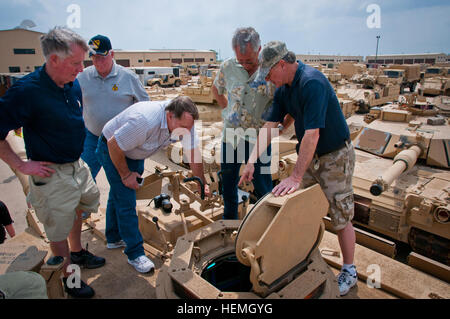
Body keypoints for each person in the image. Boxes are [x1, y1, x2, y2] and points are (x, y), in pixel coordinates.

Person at [239, 41, 357, 296]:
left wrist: (295, 176)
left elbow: (312, 135)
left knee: (340, 215)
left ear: (282, 64)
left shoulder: (311, 82)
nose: (269, 79)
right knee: (294, 204)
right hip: (311, 155)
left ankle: (349, 270)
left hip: (335, 157)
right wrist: (250, 162)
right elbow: (270, 125)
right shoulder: (284, 88)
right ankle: (299, 253)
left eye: (270, 73)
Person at [0, 26, 105, 298]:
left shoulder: (72, 83)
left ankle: (78, 252)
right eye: (75, 63)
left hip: (76, 165)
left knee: (80, 209)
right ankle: (69, 279)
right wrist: (22, 165)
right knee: (57, 227)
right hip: (50, 171)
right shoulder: (26, 91)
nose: (81, 69)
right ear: (53, 60)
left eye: (82, 62)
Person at [96, 96, 209, 273]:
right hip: (113, 149)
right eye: (184, 127)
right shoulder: (144, 121)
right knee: (126, 198)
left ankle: (113, 237)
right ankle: (135, 254)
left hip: (136, 151)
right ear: (170, 115)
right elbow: (113, 144)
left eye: (190, 127)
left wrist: (201, 183)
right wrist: (125, 175)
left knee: (118, 194)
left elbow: (193, 153)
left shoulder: (186, 123)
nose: (187, 131)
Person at [211, 27, 278, 220]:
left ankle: (267, 225)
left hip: (259, 139)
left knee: (264, 186)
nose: (245, 65)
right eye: (240, 61)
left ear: (259, 50)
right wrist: (226, 110)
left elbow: (282, 103)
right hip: (231, 136)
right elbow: (217, 89)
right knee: (229, 183)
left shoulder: (271, 71)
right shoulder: (228, 67)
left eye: (249, 61)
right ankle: (230, 221)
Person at [77, 35, 149, 180]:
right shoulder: (82, 77)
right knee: (83, 180)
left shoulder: (128, 78)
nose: (98, 61)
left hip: (123, 140)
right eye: (94, 57)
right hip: (92, 138)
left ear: (112, 54)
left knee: (125, 183)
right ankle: (90, 203)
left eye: (102, 57)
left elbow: (145, 106)